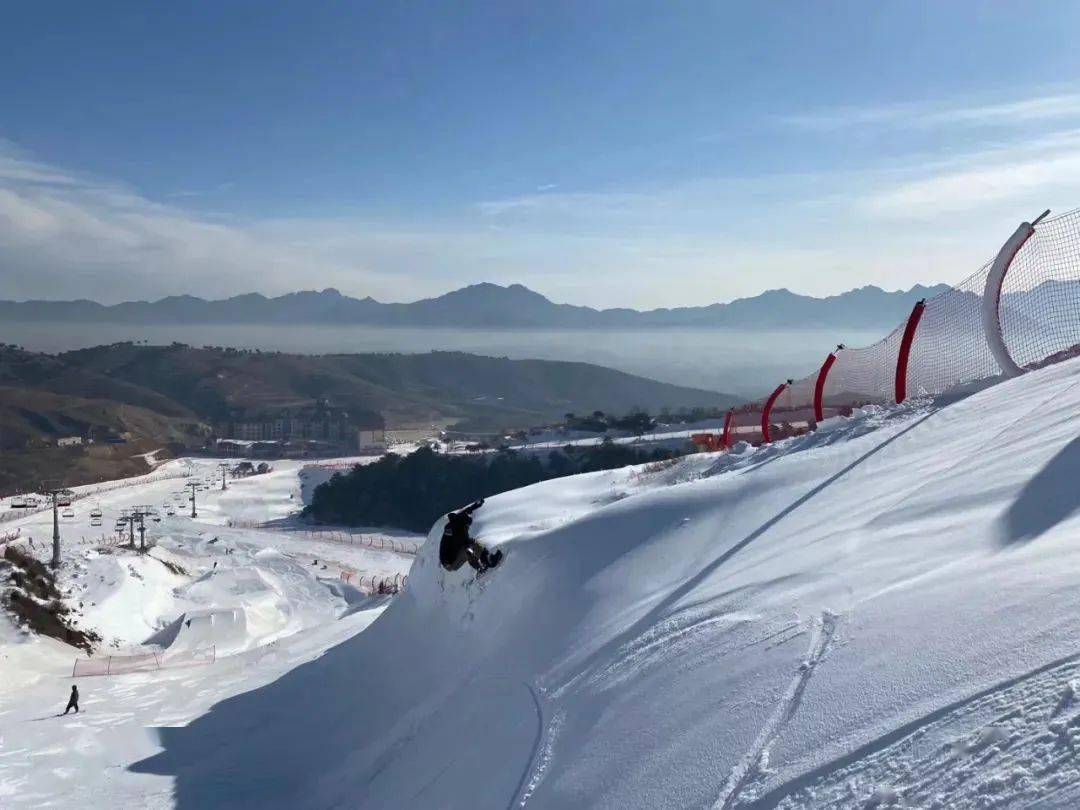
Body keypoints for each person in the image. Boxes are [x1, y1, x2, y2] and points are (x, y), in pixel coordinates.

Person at [439, 500, 502, 573]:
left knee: (471, 544)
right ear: (463, 525)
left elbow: (465, 511)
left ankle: (484, 561)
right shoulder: (457, 532)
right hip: (450, 563)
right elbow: (465, 546)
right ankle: (485, 565)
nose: (468, 527)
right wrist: (478, 564)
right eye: (467, 525)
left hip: (450, 557)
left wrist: (476, 505)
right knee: (470, 548)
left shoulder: (456, 521)